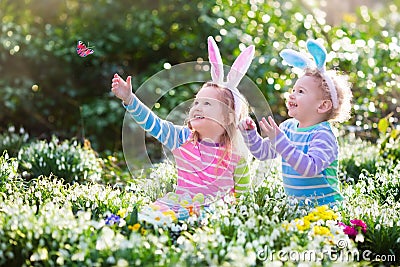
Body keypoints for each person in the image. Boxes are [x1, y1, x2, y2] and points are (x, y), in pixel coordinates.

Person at [111, 36, 255, 221]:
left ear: (228, 116)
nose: (197, 107)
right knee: (145, 218)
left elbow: (244, 199)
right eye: (196, 102)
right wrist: (130, 99)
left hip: (213, 214)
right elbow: (153, 124)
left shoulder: (236, 156)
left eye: (208, 103)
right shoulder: (183, 138)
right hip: (179, 205)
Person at [239, 39, 352, 206]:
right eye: (293, 90)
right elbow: (263, 153)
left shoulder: (323, 135)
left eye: (301, 91)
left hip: (325, 209)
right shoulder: (288, 128)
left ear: (322, 105)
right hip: (297, 209)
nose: (292, 95)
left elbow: (309, 168)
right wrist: (250, 134)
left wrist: (280, 142)